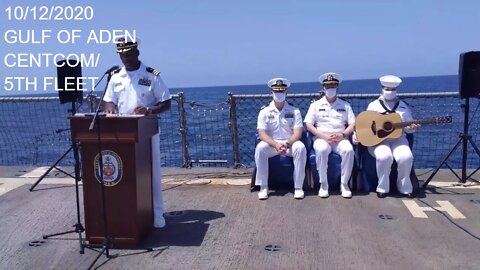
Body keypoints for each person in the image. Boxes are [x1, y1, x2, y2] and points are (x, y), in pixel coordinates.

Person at [103, 36, 171, 228]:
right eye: (121, 55)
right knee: (125, 173)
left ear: (137, 52)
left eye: (128, 54)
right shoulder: (116, 77)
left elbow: (166, 102)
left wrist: (149, 110)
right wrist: (110, 108)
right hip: (122, 132)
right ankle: (129, 211)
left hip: (146, 131)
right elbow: (110, 99)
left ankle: (157, 212)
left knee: (151, 172)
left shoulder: (152, 75)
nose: (125, 58)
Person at [358, 75, 419, 198]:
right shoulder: (374, 105)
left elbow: (408, 128)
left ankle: (404, 187)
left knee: (406, 157)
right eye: (387, 89)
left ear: (397, 90)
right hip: (378, 141)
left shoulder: (403, 106)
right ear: (381, 89)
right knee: (384, 156)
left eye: (392, 89)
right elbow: (365, 123)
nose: (390, 92)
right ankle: (382, 187)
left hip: (398, 138)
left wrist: (412, 128)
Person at [304, 72, 355, 198]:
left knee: (348, 150)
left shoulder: (345, 105)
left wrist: (343, 135)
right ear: (323, 88)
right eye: (328, 86)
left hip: (340, 138)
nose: (330, 89)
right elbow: (308, 124)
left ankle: (344, 184)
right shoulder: (315, 105)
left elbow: (353, 124)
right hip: (322, 138)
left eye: (333, 86)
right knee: (321, 150)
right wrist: (323, 136)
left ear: (337, 87)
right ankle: (323, 184)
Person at [255, 78, 307, 200]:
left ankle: (298, 187)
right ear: (271, 93)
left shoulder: (295, 111)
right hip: (272, 145)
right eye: (276, 91)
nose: (279, 94)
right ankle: (263, 187)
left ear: (286, 93)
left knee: (300, 147)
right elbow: (262, 133)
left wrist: (287, 143)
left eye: (282, 91)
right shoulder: (264, 111)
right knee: (260, 148)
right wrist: (275, 144)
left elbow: (298, 133)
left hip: (290, 143)